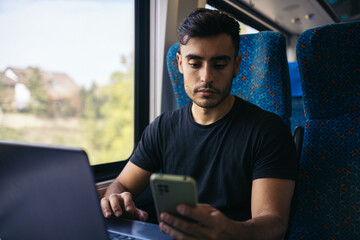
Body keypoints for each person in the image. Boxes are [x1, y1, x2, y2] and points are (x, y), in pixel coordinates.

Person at [100, 8, 298, 240]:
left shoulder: (268, 131)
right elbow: (122, 183)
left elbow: (273, 223)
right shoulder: (162, 127)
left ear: (236, 65)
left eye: (219, 64)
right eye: (195, 64)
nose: (206, 77)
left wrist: (230, 231)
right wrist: (115, 198)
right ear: (180, 64)